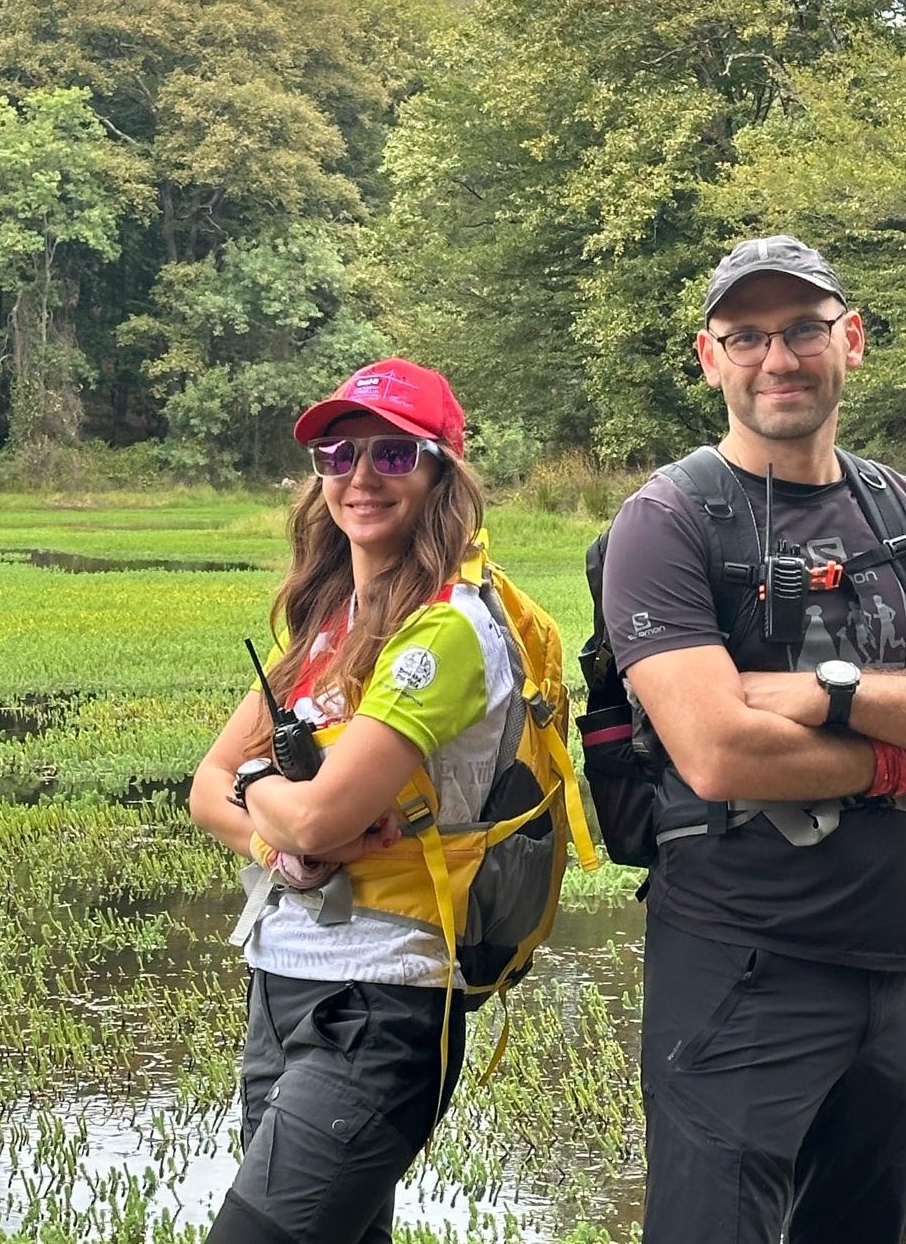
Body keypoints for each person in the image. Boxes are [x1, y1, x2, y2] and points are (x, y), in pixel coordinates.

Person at [601, 237, 906, 1244]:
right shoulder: (665, 521)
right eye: (746, 335)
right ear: (709, 357)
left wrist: (820, 693)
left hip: (896, 978)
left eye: (802, 328)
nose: (779, 357)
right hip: (736, 976)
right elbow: (717, 752)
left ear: (852, 339)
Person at [190, 358, 513, 1244]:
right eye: (337, 455)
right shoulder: (326, 622)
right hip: (283, 983)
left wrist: (268, 792)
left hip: (383, 1001)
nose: (360, 477)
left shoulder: (446, 629)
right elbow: (202, 791)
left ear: (442, 472)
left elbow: (314, 813)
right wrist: (277, 841)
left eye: (392, 455)